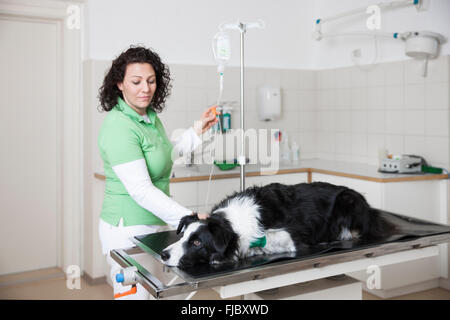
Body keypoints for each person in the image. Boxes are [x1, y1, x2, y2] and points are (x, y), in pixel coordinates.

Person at [97, 45, 218, 299]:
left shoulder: (148, 117)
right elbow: (141, 190)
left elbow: (164, 154)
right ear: (119, 83)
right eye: (137, 81)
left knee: (154, 293)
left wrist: (197, 131)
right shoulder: (119, 126)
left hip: (151, 224)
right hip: (126, 230)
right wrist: (189, 219)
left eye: (151, 81)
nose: (146, 88)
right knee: (136, 296)